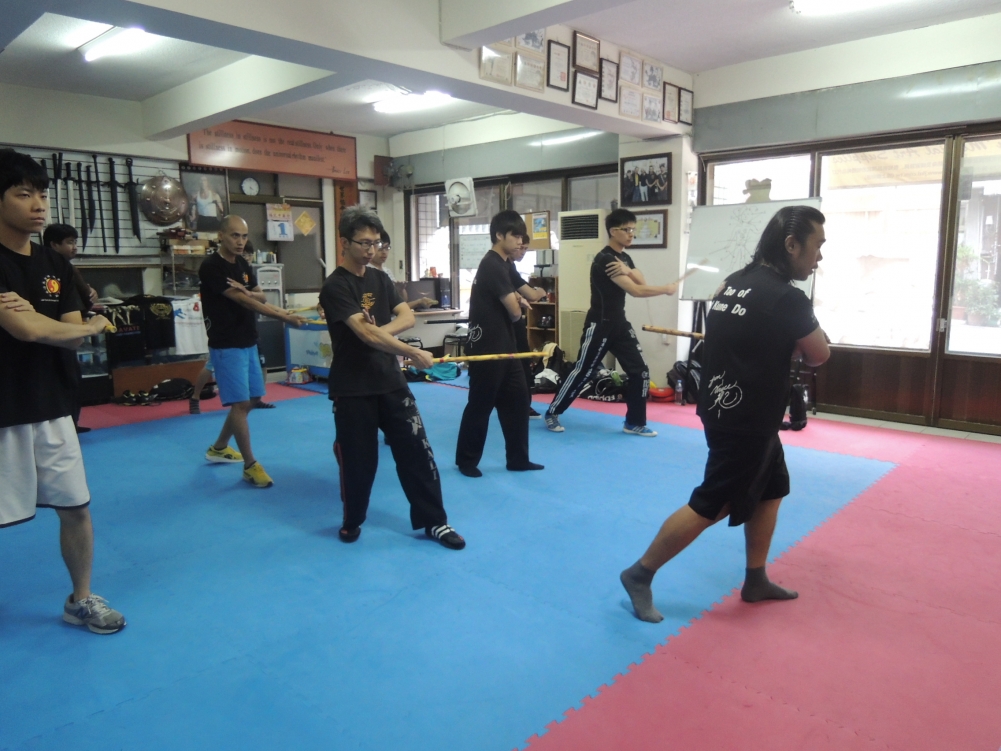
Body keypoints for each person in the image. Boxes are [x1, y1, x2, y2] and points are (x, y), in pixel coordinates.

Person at [620, 205, 831, 623]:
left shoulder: (735, 282)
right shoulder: (788, 298)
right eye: (817, 246)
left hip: (723, 405)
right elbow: (819, 354)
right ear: (792, 245)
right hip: (748, 417)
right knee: (713, 501)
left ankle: (756, 579)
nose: (819, 257)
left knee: (772, 488)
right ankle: (639, 573)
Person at [0, 148, 125, 634]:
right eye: (23, 194)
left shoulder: (54, 262)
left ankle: (80, 599)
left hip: (52, 405)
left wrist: (54, 323)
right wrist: (71, 325)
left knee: (76, 508)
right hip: (4, 408)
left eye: (42, 194)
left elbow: (70, 332)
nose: (38, 205)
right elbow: (28, 330)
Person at [320, 205, 464, 550]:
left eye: (376, 243)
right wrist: (410, 351)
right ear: (344, 242)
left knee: (418, 451)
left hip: (390, 381)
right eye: (364, 243)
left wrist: (376, 334)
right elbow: (364, 333)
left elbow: (406, 317)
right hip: (353, 388)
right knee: (359, 461)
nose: (371, 250)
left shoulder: (380, 279)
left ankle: (435, 521)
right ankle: (353, 519)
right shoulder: (335, 286)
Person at [544, 208, 678, 436]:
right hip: (600, 324)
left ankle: (634, 422)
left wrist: (628, 269)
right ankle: (552, 412)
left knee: (640, 371)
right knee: (584, 370)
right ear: (614, 231)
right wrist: (665, 289)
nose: (631, 234)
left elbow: (641, 280)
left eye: (633, 230)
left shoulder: (624, 258)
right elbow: (636, 290)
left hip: (619, 324)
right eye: (627, 230)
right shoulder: (606, 259)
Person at [198, 214, 307, 488]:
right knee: (240, 403)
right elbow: (247, 302)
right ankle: (250, 465)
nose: (240, 241)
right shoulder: (211, 267)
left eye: (244, 236)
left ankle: (219, 447)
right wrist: (284, 317)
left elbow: (261, 295)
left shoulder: (243, 264)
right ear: (221, 235)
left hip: (247, 339)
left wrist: (249, 292)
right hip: (226, 343)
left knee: (253, 397)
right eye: (234, 235)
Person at [455, 210, 544, 477]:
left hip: (507, 348)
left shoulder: (506, 265)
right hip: (487, 349)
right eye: (515, 236)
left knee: (517, 402)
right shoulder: (491, 265)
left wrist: (528, 296)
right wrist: (518, 301)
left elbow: (529, 295)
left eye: (522, 237)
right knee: (480, 405)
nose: (520, 242)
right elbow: (515, 313)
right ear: (499, 235)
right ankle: (466, 461)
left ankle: (518, 459)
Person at [43, 223, 98, 433]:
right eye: (69, 242)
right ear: (54, 245)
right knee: (67, 379)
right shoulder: (60, 268)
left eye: (75, 242)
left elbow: (87, 296)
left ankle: (69, 424)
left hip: (60, 331)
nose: (74, 247)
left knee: (69, 379)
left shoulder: (62, 267)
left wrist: (90, 292)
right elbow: (86, 298)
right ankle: (67, 425)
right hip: (58, 332)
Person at [509, 234, 548, 418]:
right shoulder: (499, 266)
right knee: (517, 365)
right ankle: (520, 405)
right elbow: (532, 295)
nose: (522, 251)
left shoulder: (508, 267)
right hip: (503, 325)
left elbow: (510, 291)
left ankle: (523, 405)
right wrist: (540, 291)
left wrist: (518, 297)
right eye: (520, 247)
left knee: (522, 363)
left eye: (525, 248)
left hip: (512, 323)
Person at [368, 230, 435, 310]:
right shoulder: (367, 270)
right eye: (380, 248)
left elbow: (402, 302)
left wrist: (400, 289)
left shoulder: (387, 271)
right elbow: (387, 305)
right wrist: (418, 302)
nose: (384, 252)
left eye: (387, 248)